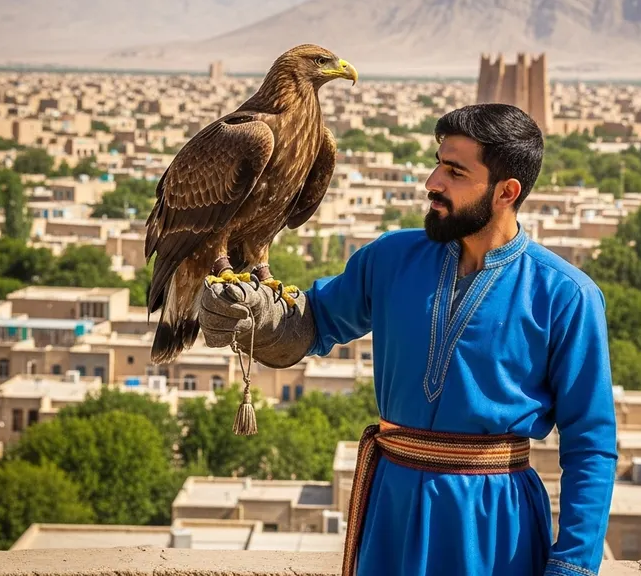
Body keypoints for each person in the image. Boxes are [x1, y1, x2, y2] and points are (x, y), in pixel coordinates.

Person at [199, 103, 618, 576]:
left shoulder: (566, 294)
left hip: (494, 522)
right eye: (438, 162)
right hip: (391, 507)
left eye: (455, 171)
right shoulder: (390, 257)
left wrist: (573, 565)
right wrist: (255, 317)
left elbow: (591, 444)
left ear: (507, 191)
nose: (432, 182)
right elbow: (311, 324)